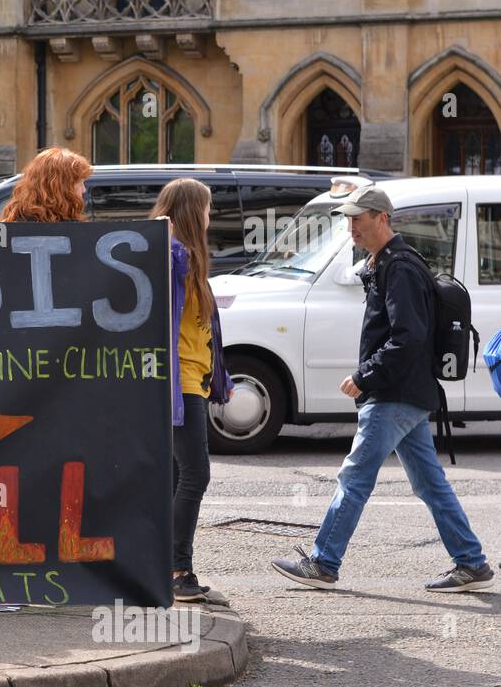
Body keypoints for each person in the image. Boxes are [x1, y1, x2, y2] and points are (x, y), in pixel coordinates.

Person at [271, 185, 493, 593]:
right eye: (349, 219)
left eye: (358, 218)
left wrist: (364, 376)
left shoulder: (400, 268)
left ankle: (324, 561)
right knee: (430, 484)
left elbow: (408, 338)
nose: (351, 226)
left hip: (394, 394)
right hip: (407, 393)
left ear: (382, 219)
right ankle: (471, 562)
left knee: (354, 477)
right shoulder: (386, 263)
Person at [151, 179, 233, 603]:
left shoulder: (190, 258)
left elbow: (206, 329)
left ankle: (163, 565)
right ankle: (177, 569)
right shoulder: (172, 257)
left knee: (176, 475)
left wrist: (220, 378)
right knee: (195, 474)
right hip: (176, 384)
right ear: (189, 211)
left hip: (193, 379)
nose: (209, 215)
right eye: (206, 208)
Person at [0, 147, 92, 223]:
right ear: (59, 187)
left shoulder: (14, 224)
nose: (84, 190)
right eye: (79, 183)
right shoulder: (72, 230)